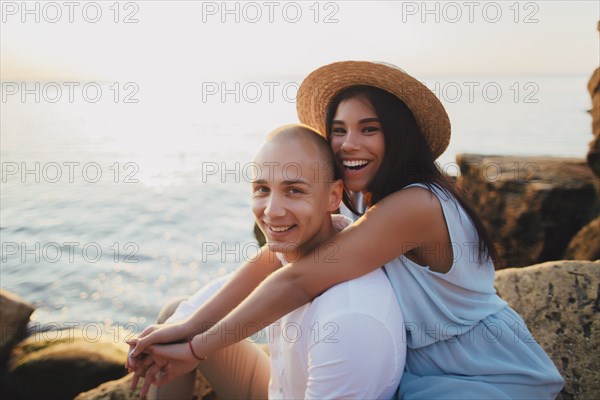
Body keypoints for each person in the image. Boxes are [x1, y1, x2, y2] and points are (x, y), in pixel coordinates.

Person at [130, 61, 564, 399]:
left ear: (399, 136)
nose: (347, 144)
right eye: (338, 130)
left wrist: (195, 350)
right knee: (176, 313)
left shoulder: (416, 204)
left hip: (480, 375)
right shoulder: (361, 197)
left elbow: (299, 280)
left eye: (368, 129)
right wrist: (189, 328)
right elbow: (272, 258)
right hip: (417, 368)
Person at [129, 124, 406, 399]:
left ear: (333, 196)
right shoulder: (294, 251)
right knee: (175, 315)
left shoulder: (349, 318)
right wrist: (164, 338)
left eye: (294, 191)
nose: (272, 211)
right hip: (278, 391)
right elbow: (223, 296)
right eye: (262, 189)